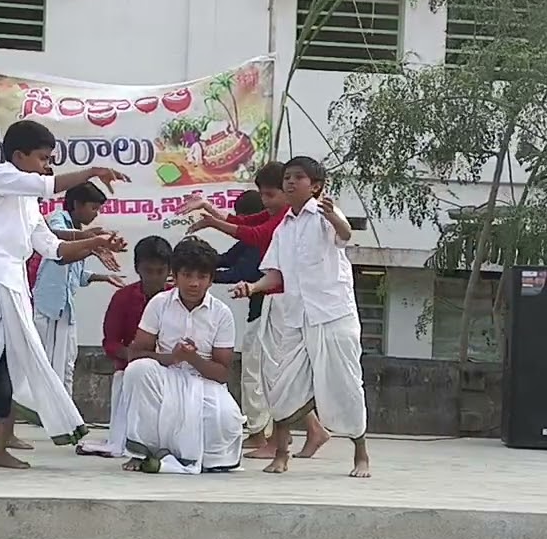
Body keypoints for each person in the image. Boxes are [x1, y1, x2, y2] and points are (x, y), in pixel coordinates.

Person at [0, 119, 130, 470]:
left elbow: (52, 247)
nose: (47, 165)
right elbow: (50, 185)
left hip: (14, 283)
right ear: (18, 155)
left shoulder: (30, 202)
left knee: (12, 364)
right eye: (42, 158)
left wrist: (95, 243)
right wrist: (92, 170)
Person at [230, 156, 371, 478]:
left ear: (316, 185)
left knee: (346, 384)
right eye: (287, 178)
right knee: (280, 385)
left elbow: (345, 234)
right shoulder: (283, 229)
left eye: (298, 177)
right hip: (294, 317)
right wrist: (251, 288)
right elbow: (275, 277)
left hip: (333, 314)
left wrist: (333, 215)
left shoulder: (325, 214)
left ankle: (361, 454)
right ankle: (282, 453)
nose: (290, 183)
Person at [181, 163, 333, 458]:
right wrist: (210, 210)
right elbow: (245, 223)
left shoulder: (292, 220)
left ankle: (272, 440)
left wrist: (212, 221)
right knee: (273, 374)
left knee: (269, 374)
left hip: (283, 305)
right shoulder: (283, 217)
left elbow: (253, 234)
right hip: (274, 302)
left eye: (271, 193)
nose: (267, 200)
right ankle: (305, 431)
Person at [112, 237, 244, 474]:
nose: (194, 284)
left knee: (226, 418)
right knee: (137, 371)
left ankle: (199, 460)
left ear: (211, 279)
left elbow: (223, 373)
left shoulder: (221, 314)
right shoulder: (159, 303)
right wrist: (172, 358)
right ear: (176, 275)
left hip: (203, 382)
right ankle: (143, 452)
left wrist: (193, 359)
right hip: (165, 375)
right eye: (187, 276)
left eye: (202, 277)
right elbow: (135, 353)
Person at [76, 235, 173, 457]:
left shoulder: (177, 298)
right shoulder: (123, 298)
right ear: (138, 269)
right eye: (149, 271)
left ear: (169, 270)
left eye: (160, 271)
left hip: (172, 370)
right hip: (131, 370)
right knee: (126, 378)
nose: (155, 277)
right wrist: (130, 354)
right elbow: (110, 342)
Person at [33, 182, 126, 397]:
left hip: (65, 308)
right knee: (41, 364)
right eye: (93, 208)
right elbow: (57, 243)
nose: (96, 214)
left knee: (66, 365)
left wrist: (103, 277)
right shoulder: (59, 218)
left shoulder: (82, 236)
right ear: (76, 205)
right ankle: (45, 413)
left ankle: (66, 418)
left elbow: (76, 275)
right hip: (47, 307)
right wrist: (92, 241)